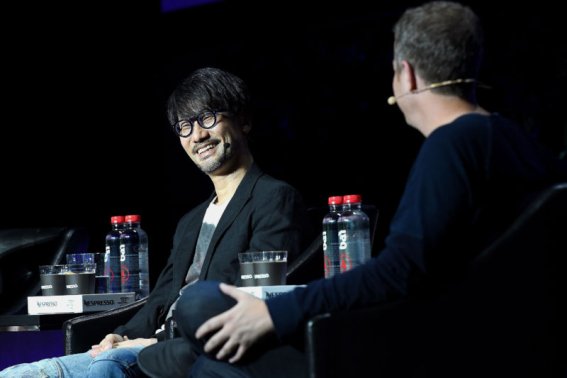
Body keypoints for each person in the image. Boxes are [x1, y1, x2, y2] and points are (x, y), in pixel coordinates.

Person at [173, 2, 567, 377]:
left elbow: (398, 271)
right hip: (502, 334)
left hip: (425, 343)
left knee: (202, 319)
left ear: (406, 75)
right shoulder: (515, 141)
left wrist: (275, 314)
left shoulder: (452, 145)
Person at [0, 67, 310, 378]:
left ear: (243, 120)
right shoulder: (191, 220)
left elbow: (255, 296)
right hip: (154, 345)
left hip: (199, 349)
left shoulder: (275, 197)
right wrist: (121, 335)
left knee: (108, 366)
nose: (198, 135)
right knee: (16, 374)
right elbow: (161, 298)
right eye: (185, 126)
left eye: (208, 118)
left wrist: (156, 340)